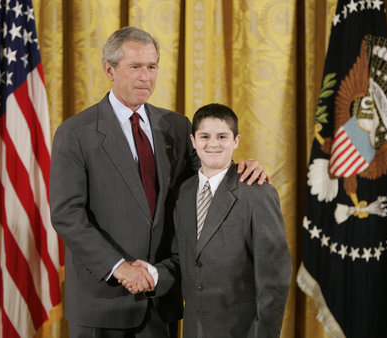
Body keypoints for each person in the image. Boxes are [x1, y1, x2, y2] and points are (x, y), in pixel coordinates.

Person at [49, 27, 268, 338]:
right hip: (102, 301)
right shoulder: (76, 133)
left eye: (152, 67)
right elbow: (67, 215)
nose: (146, 76)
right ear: (109, 70)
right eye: (135, 67)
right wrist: (119, 267)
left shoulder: (177, 126)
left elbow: (207, 179)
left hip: (161, 298)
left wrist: (241, 169)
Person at [171, 103, 292, 337]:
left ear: (236, 141)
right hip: (194, 329)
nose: (213, 144)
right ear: (193, 141)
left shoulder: (258, 193)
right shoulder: (183, 193)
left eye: (222, 136)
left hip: (242, 330)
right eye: (204, 136)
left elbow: (274, 279)